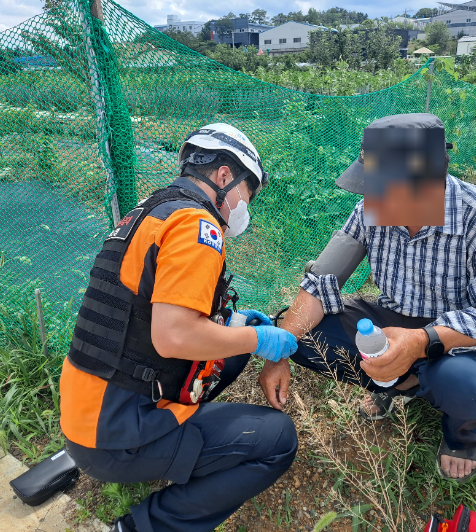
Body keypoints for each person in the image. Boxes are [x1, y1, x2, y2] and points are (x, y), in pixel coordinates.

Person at [259, 114, 476, 483]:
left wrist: (420, 342)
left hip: (458, 337)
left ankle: (462, 434)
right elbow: (321, 281)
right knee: (298, 333)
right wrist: (280, 352)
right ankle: (397, 381)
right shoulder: (373, 206)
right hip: (397, 316)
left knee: (461, 385)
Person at [59, 123, 299, 532]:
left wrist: (239, 327)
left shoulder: (149, 211)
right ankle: (143, 527)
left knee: (235, 342)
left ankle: (182, 434)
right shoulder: (197, 226)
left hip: (87, 411)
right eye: (247, 194)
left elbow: (145, 318)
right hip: (116, 434)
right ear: (225, 176)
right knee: (278, 439)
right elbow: (173, 336)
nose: (245, 206)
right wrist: (259, 338)